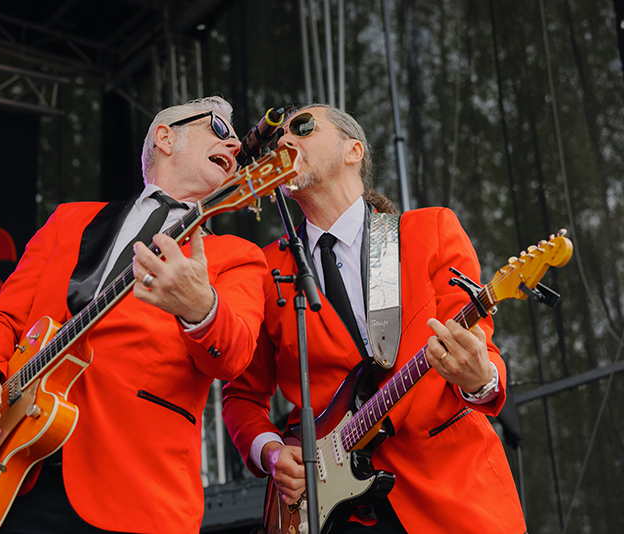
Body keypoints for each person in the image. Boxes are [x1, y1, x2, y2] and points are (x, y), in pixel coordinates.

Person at [0, 96, 267, 533]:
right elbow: (4, 315)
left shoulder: (237, 256)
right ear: (165, 138)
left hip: (135, 487)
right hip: (15, 470)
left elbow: (234, 357)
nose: (234, 144)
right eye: (218, 127)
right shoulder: (68, 220)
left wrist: (202, 309)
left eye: (234, 137)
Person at [221, 104, 527, 533]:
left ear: (353, 151)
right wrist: (271, 452)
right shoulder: (266, 269)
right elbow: (242, 397)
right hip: (333, 509)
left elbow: (481, 353)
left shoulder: (430, 231)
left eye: (303, 127)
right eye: (279, 136)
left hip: (449, 489)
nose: (285, 140)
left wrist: (481, 380)